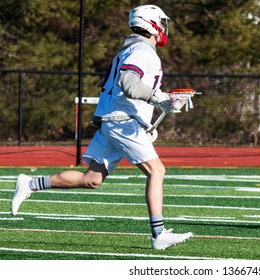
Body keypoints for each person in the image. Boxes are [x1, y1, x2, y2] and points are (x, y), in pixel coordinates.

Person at [11, 4, 193, 250]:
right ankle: (158, 234)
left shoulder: (132, 49)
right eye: (161, 22)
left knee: (91, 179)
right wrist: (157, 100)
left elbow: (134, 88)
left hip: (113, 120)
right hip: (122, 122)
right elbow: (129, 83)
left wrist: (164, 102)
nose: (164, 27)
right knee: (157, 172)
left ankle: (30, 183)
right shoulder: (142, 50)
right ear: (152, 24)